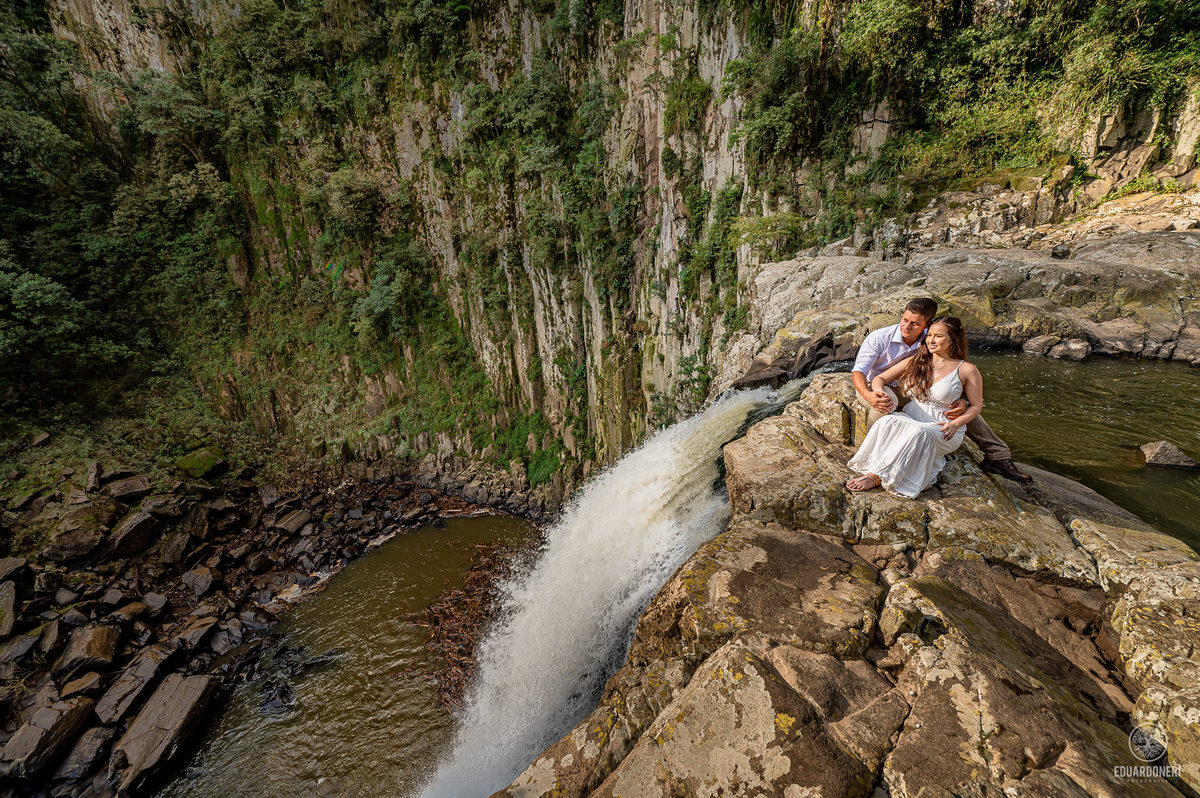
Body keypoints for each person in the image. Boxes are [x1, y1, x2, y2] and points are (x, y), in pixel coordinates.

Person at [850, 298, 1031, 483]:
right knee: (885, 406)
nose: (907, 326)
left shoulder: (933, 337)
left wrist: (965, 401)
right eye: (904, 320)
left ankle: (998, 457)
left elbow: (950, 376)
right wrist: (871, 394)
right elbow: (859, 371)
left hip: (913, 391)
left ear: (926, 325)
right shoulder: (880, 338)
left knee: (962, 410)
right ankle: (873, 454)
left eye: (915, 324)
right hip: (886, 387)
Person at [846, 316, 979, 496]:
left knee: (919, 433)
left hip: (943, 426)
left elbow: (976, 406)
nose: (931, 340)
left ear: (953, 339)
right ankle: (879, 470)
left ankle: (876, 476)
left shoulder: (967, 369)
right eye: (929, 335)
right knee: (888, 422)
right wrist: (877, 391)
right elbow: (880, 378)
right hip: (914, 415)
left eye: (938, 336)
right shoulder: (917, 360)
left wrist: (956, 423)